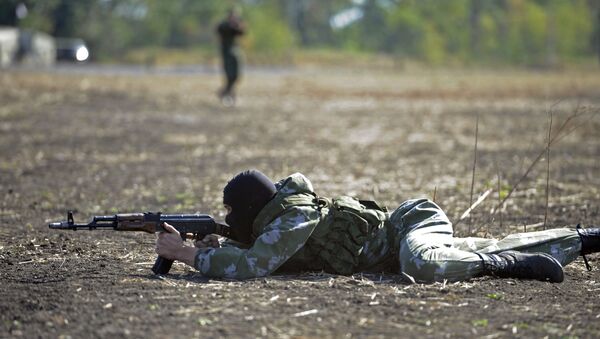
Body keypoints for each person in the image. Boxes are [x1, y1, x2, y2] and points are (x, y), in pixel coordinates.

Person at [155, 170, 600, 283]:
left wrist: (188, 255)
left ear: (255, 208)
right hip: (400, 241)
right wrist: (217, 243)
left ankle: (503, 265)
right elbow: (257, 250)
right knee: (460, 249)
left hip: (411, 222)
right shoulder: (276, 221)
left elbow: (255, 265)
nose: (232, 221)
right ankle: (582, 239)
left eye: (235, 213)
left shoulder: (294, 216)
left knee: (422, 264)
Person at [216, 8, 245, 106]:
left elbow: (241, 32)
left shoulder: (235, 27)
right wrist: (231, 24)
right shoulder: (224, 25)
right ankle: (229, 95)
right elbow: (219, 29)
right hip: (226, 53)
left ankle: (225, 92)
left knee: (236, 76)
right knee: (229, 75)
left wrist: (239, 25)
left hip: (235, 53)